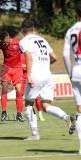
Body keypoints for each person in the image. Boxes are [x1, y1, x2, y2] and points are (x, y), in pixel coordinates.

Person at [20, 19, 75, 140]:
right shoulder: (42, 39)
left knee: (29, 104)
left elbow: (28, 57)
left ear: (23, 30)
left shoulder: (23, 41)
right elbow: (54, 57)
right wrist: (44, 65)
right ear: (33, 29)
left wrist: (29, 74)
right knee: (45, 106)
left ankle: (35, 134)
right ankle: (66, 117)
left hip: (35, 75)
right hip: (47, 75)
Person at [0, 31, 24, 122]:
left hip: (17, 69)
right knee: (4, 88)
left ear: (9, 37)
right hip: (6, 69)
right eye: (3, 42)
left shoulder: (18, 43)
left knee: (19, 90)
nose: (4, 44)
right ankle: (4, 112)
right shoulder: (1, 43)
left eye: (5, 42)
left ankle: (19, 114)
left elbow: (26, 52)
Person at [63, 0, 81, 154]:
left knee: (80, 110)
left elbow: (64, 55)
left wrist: (70, 73)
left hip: (76, 71)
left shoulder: (70, 30)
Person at [20, 54, 45, 121]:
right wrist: (26, 66)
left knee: (36, 97)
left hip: (31, 77)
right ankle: (21, 114)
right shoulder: (19, 55)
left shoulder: (31, 54)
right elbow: (18, 67)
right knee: (20, 96)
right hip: (21, 78)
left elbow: (34, 66)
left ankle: (40, 114)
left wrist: (26, 66)